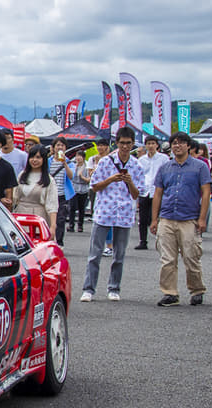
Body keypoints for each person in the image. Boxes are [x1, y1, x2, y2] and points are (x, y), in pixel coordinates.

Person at [80, 127, 146, 302]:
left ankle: (114, 287)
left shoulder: (137, 166)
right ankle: (89, 289)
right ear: (116, 143)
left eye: (128, 143)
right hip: (104, 211)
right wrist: (111, 179)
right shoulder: (105, 162)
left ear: (132, 144)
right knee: (95, 253)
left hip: (124, 213)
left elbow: (136, 194)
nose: (124, 147)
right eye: (122, 143)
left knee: (119, 254)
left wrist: (130, 182)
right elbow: (94, 186)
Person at [150, 132, 211, 307]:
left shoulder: (200, 167)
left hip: (189, 218)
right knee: (167, 258)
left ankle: (197, 289)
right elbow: (158, 194)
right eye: (174, 143)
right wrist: (154, 219)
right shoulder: (165, 168)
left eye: (181, 143)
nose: (177, 146)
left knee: (191, 256)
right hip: (167, 217)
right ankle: (170, 293)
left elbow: (206, 193)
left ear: (188, 146)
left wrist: (202, 218)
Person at [135, 135, 169, 250]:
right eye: (148, 144)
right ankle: (143, 241)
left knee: (154, 217)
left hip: (157, 191)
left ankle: (160, 240)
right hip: (145, 191)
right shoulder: (141, 160)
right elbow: (138, 175)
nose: (150, 146)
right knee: (143, 218)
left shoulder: (163, 158)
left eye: (153, 143)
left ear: (157, 145)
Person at [12, 144, 58, 229]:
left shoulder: (49, 180)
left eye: (38, 157)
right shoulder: (22, 175)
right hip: (20, 217)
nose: (34, 160)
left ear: (44, 159)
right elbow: (14, 197)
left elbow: (52, 205)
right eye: (32, 157)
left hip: (38, 219)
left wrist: (53, 226)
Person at [48, 139, 73, 244]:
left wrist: (65, 164)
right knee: (49, 218)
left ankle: (59, 241)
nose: (60, 147)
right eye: (58, 145)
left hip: (62, 195)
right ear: (53, 148)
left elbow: (71, 176)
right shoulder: (48, 161)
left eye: (62, 145)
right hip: (49, 194)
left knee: (60, 219)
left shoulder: (69, 161)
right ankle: (50, 240)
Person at [68, 147, 90, 233]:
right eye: (77, 156)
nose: (78, 158)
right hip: (74, 188)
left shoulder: (87, 167)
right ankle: (71, 225)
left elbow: (89, 180)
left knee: (81, 208)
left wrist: (82, 177)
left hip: (83, 189)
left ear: (83, 158)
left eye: (80, 156)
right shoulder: (73, 165)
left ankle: (80, 225)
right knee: (72, 207)